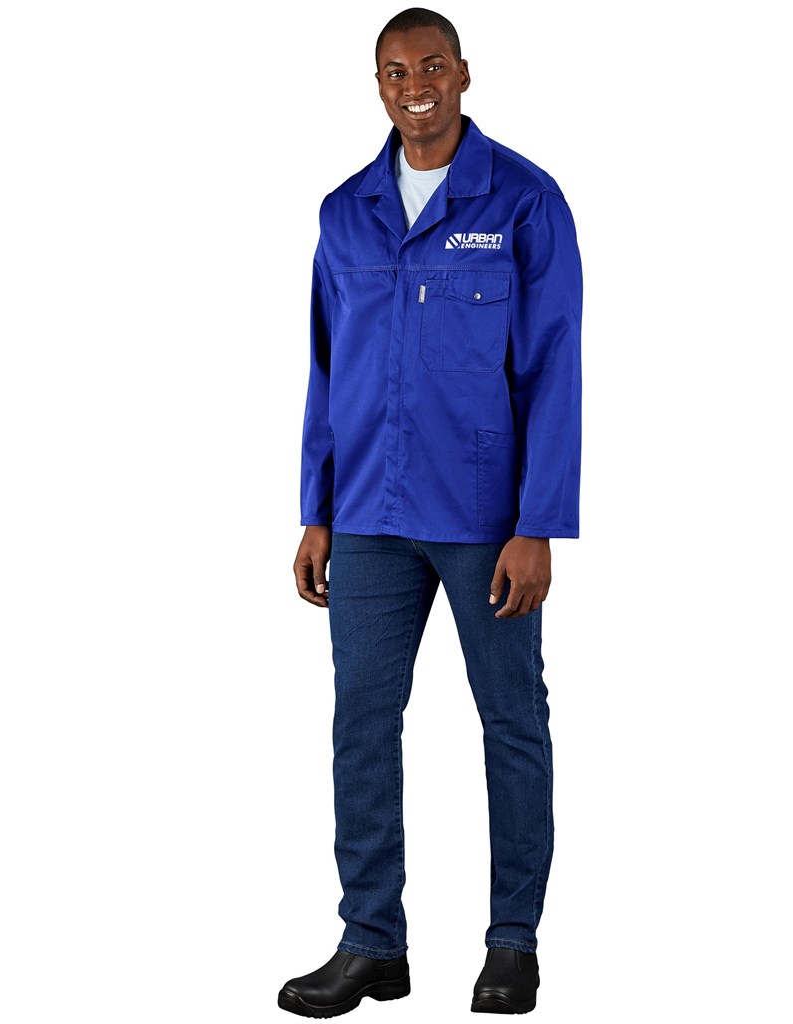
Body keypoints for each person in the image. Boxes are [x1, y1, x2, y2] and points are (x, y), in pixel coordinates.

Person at [280, 7, 583, 1017]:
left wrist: (538, 524)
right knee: (361, 725)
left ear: (463, 75)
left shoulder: (525, 202)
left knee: (511, 724)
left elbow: (555, 369)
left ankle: (512, 943)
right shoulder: (344, 213)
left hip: (486, 517)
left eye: (433, 66)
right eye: (396, 71)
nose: (416, 86)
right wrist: (317, 508)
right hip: (367, 511)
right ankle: (372, 942)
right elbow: (325, 370)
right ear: (379, 86)